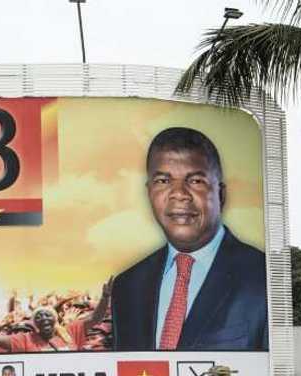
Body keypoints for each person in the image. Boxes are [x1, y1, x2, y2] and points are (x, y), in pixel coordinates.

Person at [111, 127, 268, 352]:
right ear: (149, 193)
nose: (179, 194)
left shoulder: (264, 276)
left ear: (221, 195)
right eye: (163, 181)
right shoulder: (127, 287)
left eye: (195, 181)